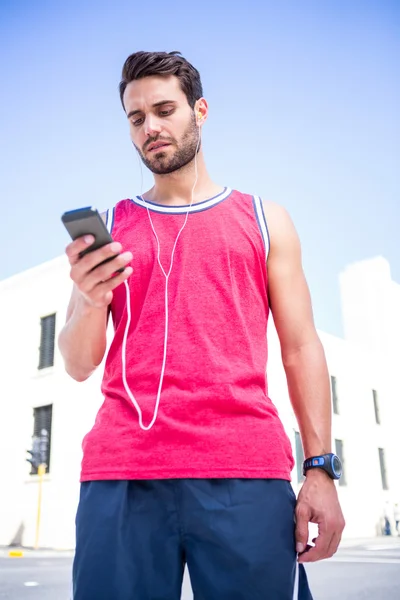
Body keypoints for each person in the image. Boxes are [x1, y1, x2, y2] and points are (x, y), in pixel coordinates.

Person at [59, 51, 345, 600]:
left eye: (165, 109)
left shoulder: (264, 218)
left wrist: (320, 470)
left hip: (244, 471)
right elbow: (76, 363)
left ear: (201, 111)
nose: (151, 128)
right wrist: (90, 298)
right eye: (136, 118)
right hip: (122, 473)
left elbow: (301, 348)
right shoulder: (111, 227)